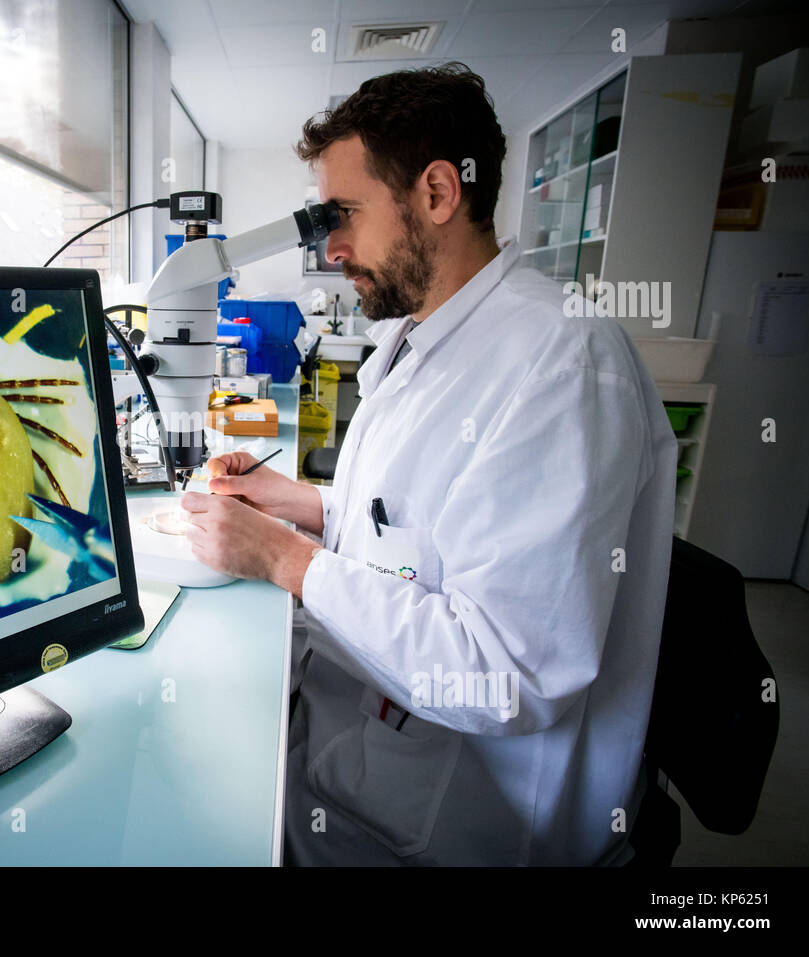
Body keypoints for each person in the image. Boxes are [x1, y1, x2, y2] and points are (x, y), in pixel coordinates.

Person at [180, 63, 677, 866]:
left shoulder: (562, 364)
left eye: (344, 214)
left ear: (438, 194)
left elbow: (507, 671)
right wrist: (305, 502)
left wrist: (286, 559)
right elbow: (418, 524)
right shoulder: (423, 334)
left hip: (467, 820)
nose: (332, 247)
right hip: (366, 755)